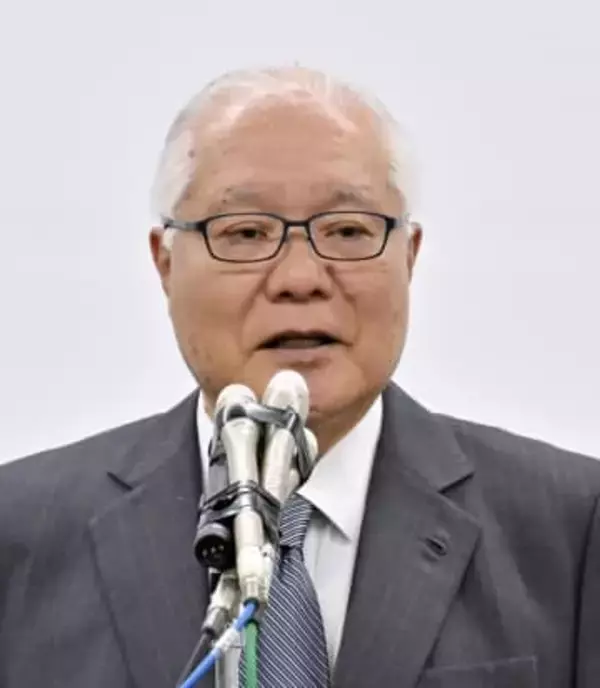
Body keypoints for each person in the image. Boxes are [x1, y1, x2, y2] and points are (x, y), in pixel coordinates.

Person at [1, 66, 599, 688]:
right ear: (165, 264)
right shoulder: (19, 533)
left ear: (410, 257)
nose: (300, 278)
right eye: (245, 233)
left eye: (348, 231)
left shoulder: (571, 529)